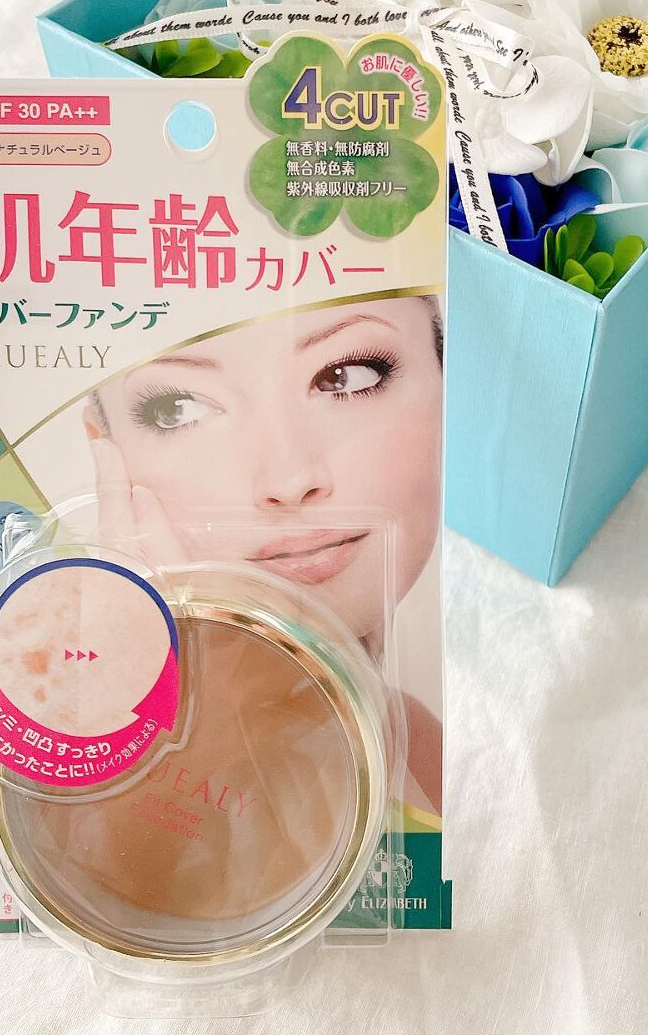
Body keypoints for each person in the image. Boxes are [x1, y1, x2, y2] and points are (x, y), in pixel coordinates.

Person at [83, 294, 443, 812]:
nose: (288, 481)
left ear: (445, 382)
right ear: (105, 452)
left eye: (345, 376)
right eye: (178, 408)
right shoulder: (56, 719)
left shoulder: (426, 756)